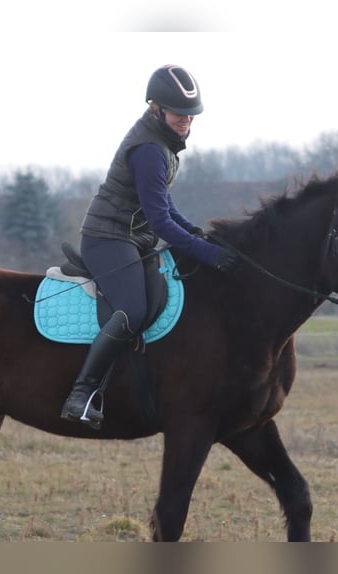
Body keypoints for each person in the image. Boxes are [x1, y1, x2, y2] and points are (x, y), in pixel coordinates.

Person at [60, 64, 239, 428]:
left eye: (191, 114)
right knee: (133, 309)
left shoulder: (163, 145)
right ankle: (82, 393)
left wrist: (197, 233)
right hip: (107, 238)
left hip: (133, 238)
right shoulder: (149, 151)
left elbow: (164, 205)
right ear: (157, 109)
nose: (186, 120)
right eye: (179, 113)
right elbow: (160, 222)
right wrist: (209, 254)